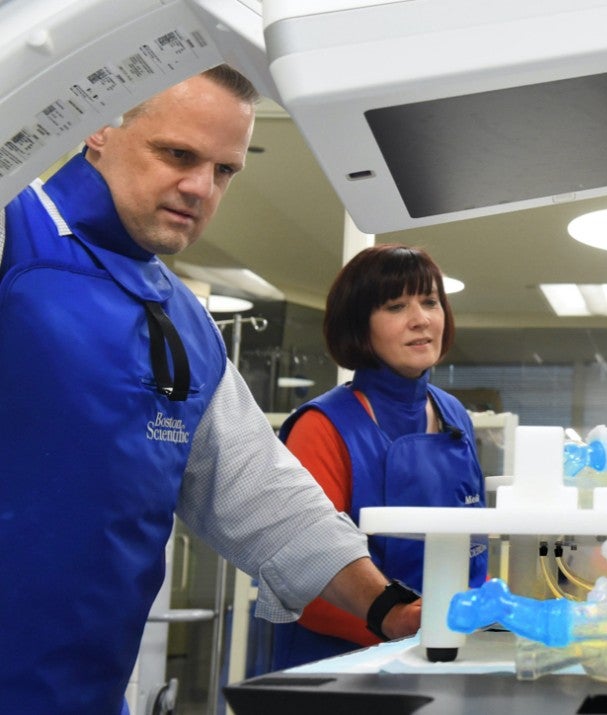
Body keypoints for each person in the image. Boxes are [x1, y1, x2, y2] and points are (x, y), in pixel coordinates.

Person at [0, 66, 421, 714]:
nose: (200, 187)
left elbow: (264, 495)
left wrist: (389, 607)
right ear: (97, 128)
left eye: (224, 170)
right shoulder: (16, 234)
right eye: (177, 154)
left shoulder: (186, 324)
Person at [271, 243, 488, 669]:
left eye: (430, 302)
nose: (421, 319)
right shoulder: (321, 427)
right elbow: (304, 577)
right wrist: (399, 618)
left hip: (446, 651)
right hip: (341, 666)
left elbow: (470, 551)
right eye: (396, 306)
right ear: (358, 325)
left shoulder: (454, 417)